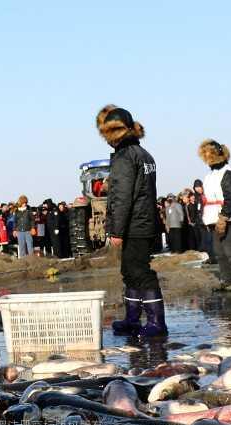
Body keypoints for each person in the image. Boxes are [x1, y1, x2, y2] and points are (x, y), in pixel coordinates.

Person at [96, 105, 167, 337]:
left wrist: (116, 230)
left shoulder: (125, 157)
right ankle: (133, 318)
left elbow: (123, 196)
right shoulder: (144, 154)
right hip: (144, 221)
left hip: (135, 224)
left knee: (139, 271)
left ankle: (156, 321)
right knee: (130, 271)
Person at [198, 140, 231, 291]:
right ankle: (226, 280)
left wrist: (224, 217)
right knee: (219, 252)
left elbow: (230, 196)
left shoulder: (227, 172)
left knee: (230, 250)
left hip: (226, 217)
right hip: (212, 217)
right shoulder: (210, 175)